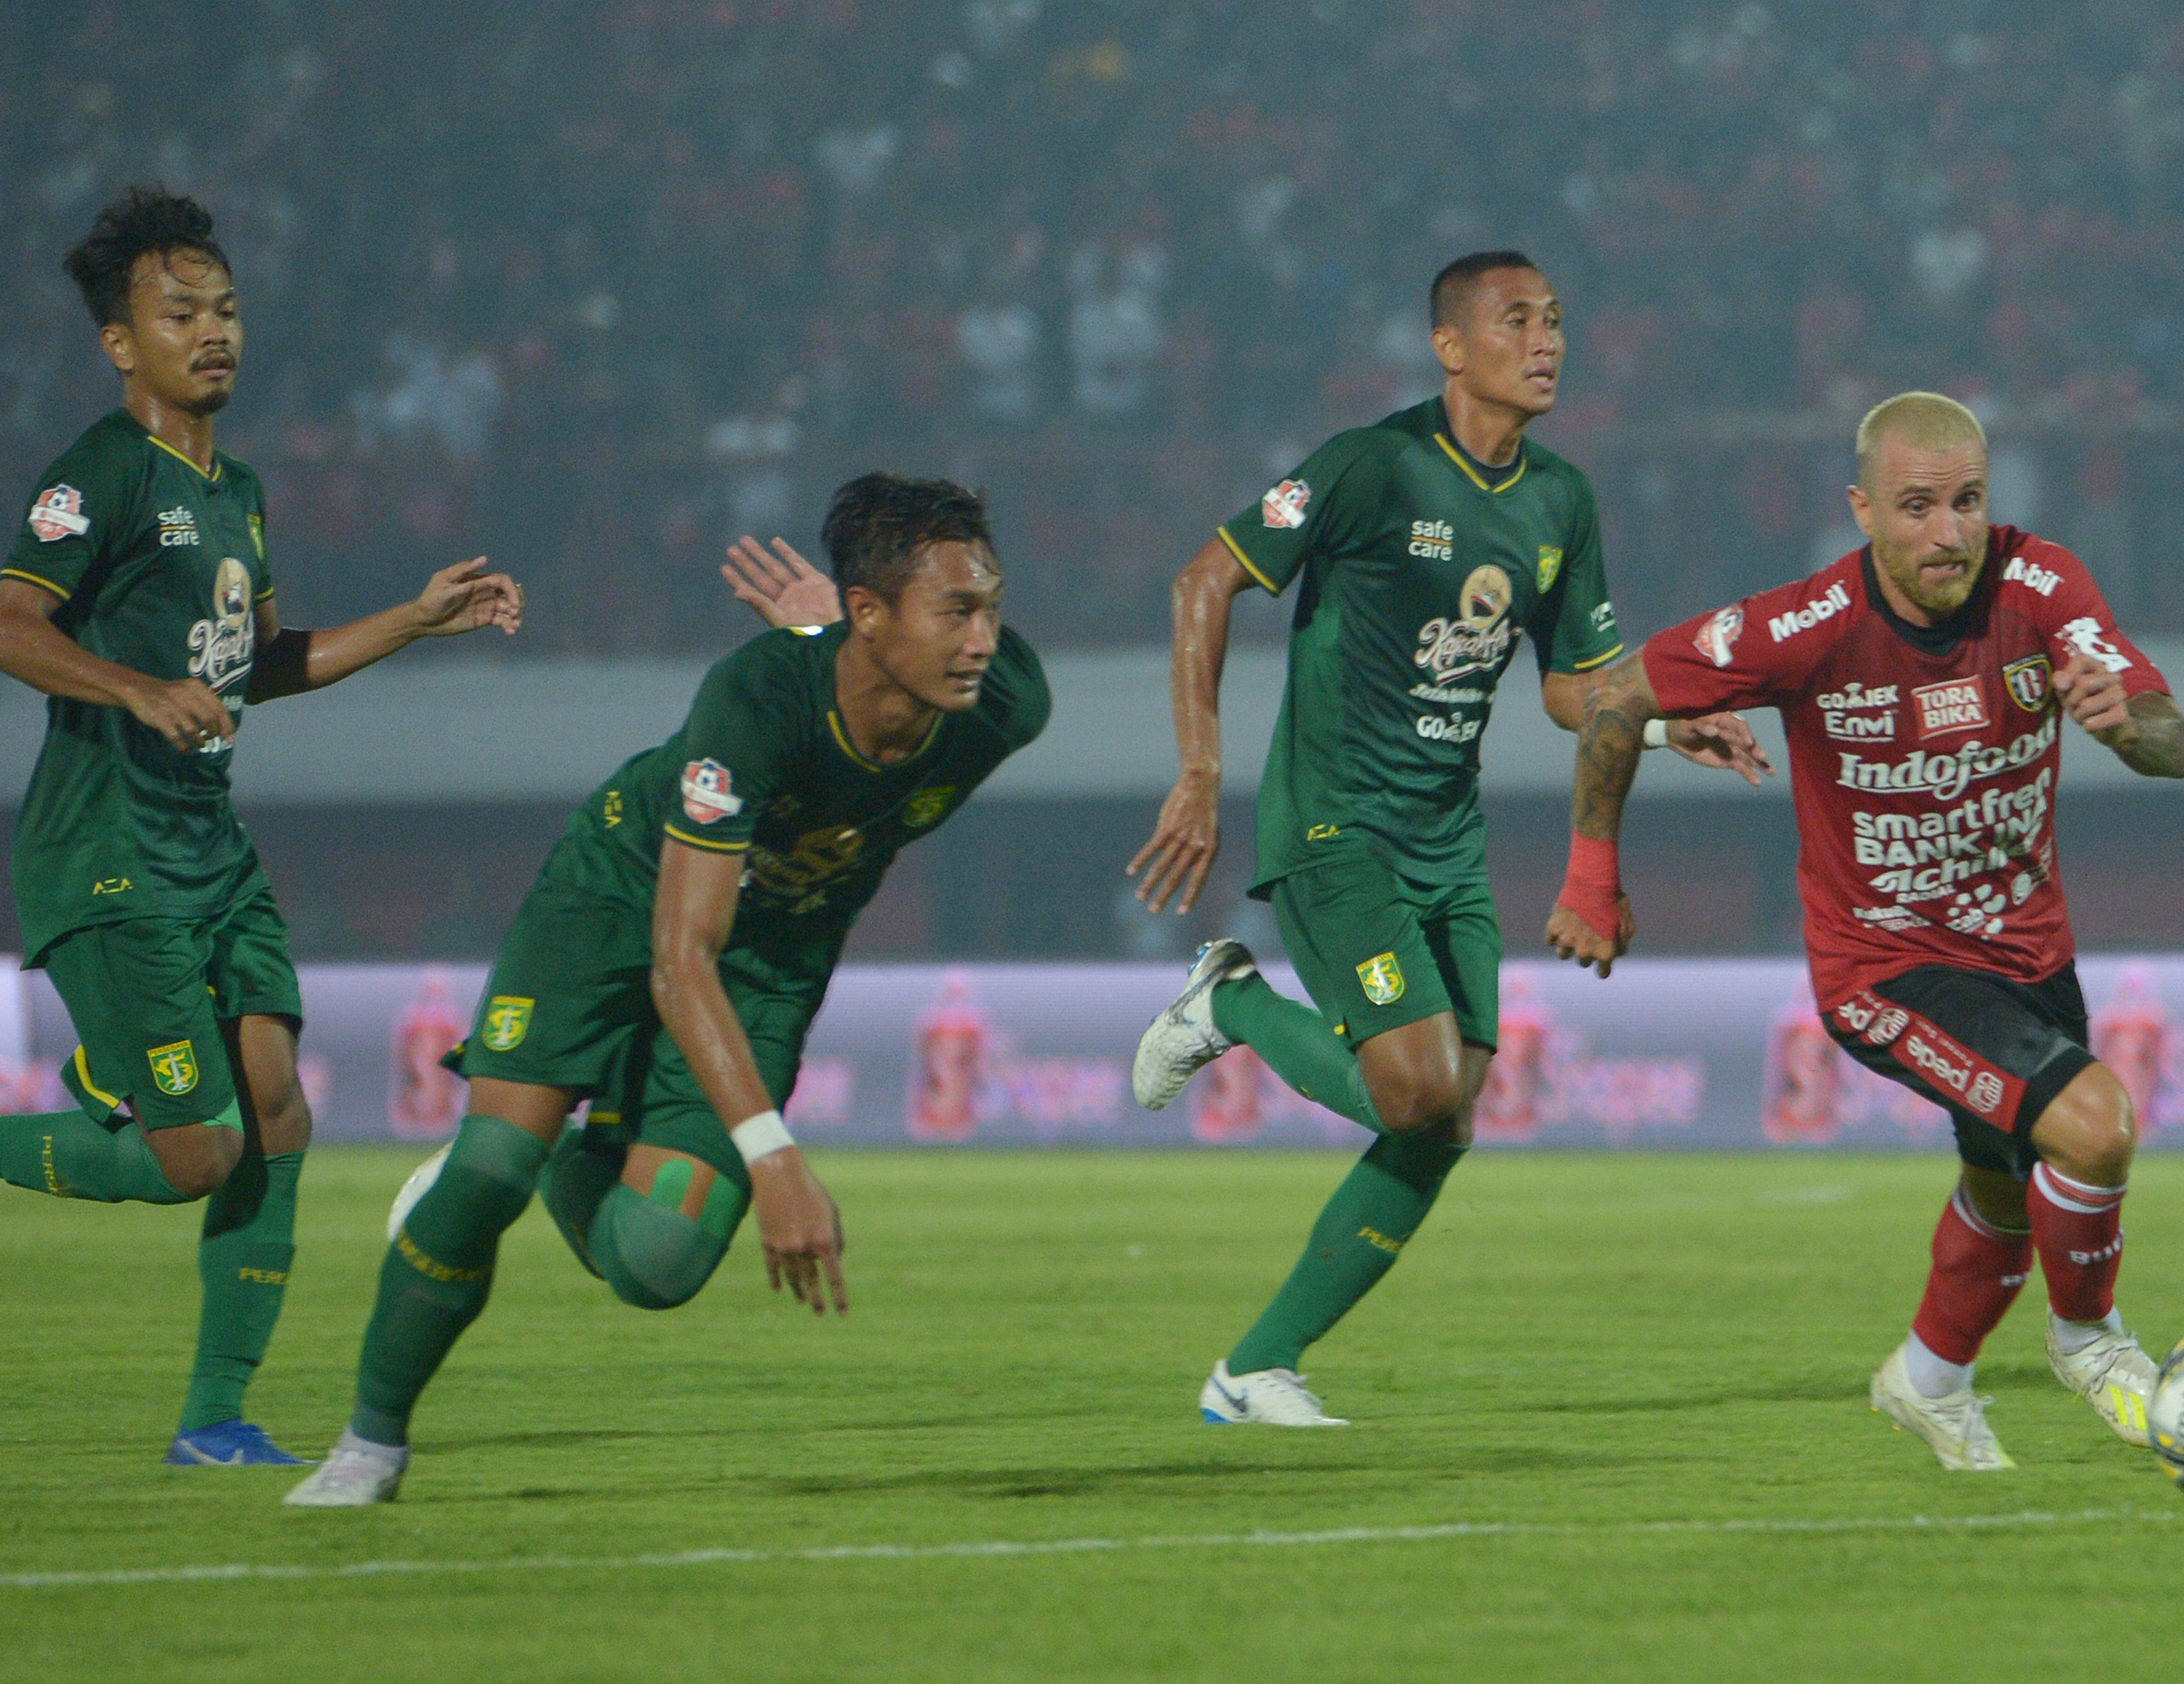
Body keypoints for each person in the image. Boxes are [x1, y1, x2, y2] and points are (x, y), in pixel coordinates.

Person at [285, 473, 1049, 1505]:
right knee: (489, 1168)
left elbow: (724, 956)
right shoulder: (757, 698)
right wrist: (775, 1158)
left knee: (657, 1262)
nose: (982, 638)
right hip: (619, 900)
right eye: (955, 611)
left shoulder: (1004, 706)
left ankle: (573, 1141)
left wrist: (846, 637)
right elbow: (678, 952)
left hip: (771, 962)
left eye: (991, 606)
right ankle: (369, 1445)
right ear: (868, 614)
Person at [1125, 251, 1756, 1426]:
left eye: (1558, 320)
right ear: (1450, 347)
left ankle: (1254, 1369)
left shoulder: (1561, 499)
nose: (1547, 340)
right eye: (1516, 320)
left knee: (1447, 1117)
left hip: (1444, 838)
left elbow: (1573, 691)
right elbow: (1202, 581)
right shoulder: (1373, 466)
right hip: (1334, 822)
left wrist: (1667, 728)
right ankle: (1232, 1004)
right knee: (1412, 1089)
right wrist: (1200, 772)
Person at [1546, 391, 2184, 1471]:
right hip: (1884, 966)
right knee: (2092, 1125)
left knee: (2002, 1178)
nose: (1948, 531)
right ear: (1861, 510)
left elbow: (2177, 745)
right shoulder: (1799, 627)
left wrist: (2131, 727)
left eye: (1968, 502)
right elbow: (1608, 698)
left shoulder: (2044, 585)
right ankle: (2088, 1342)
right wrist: (1590, 876)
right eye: (1917, 506)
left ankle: (1928, 1377)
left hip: (2028, 954)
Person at [0, 187, 523, 1466]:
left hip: (208, 844)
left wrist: (409, 619)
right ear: (121, 343)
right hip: (109, 848)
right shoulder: (98, 473)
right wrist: (135, 687)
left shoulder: (235, 484)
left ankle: (214, 1419)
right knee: (194, 1153)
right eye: (179, 314)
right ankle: (111, 1099)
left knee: (279, 1105)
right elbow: (12, 619)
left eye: (226, 309)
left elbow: (258, 662)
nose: (213, 332)